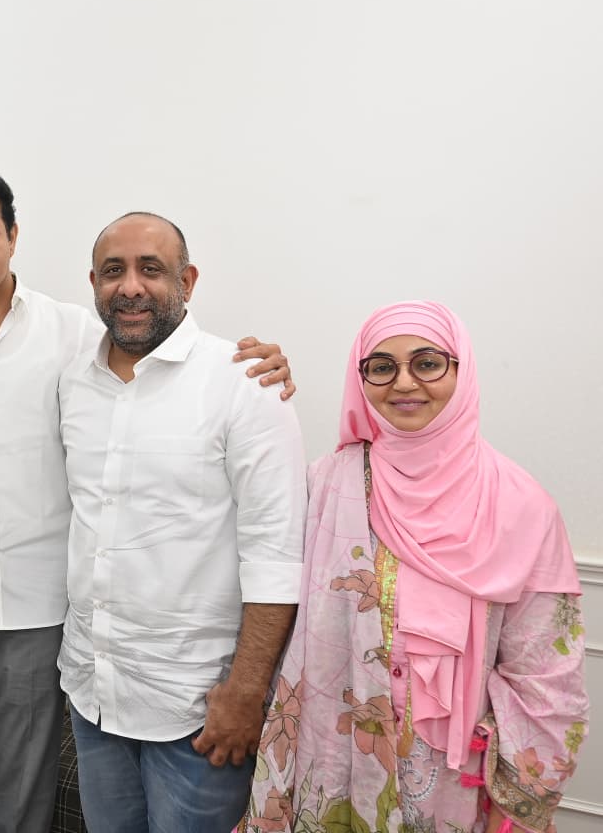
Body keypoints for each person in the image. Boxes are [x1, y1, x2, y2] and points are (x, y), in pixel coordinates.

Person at [0, 174, 294, 833]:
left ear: (13, 236)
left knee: (25, 781)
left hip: (40, 605)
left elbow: (157, 353)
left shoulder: (74, 332)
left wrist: (262, 365)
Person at [244, 301, 588, 833]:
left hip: (449, 781)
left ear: (461, 370)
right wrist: (244, 389)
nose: (404, 382)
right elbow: (252, 563)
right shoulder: (324, 485)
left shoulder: (522, 506)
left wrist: (523, 795)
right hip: (331, 758)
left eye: (427, 363)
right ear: (361, 379)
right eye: (382, 367)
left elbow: (545, 675)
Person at [57, 212, 307, 833]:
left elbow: (275, 555)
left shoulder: (244, 384)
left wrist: (246, 693)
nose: (130, 287)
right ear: (93, 283)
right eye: (113, 271)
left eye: (151, 269)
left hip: (199, 709)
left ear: (187, 281)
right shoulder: (72, 383)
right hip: (94, 688)